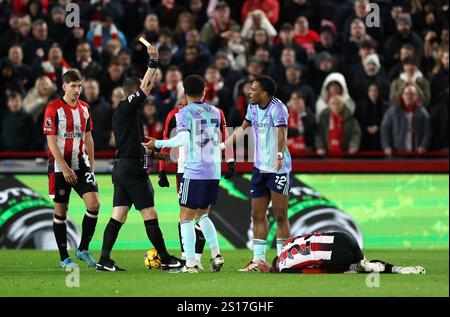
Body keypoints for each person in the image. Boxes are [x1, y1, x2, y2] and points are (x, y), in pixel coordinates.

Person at [96, 43, 183, 272]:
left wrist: (156, 152)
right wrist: (153, 62)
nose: (150, 88)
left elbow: (135, 144)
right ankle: (165, 258)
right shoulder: (126, 108)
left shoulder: (128, 114)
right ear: (134, 91)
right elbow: (145, 86)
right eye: (146, 87)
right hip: (132, 170)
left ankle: (104, 260)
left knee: (119, 215)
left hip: (123, 168)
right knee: (150, 213)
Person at [143, 75, 231, 273]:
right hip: (213, 171)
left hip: (194, 170)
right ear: (204, 91)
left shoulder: (183, 113)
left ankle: (190, 263)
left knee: (185, 217)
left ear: (184, 92)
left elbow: (182, 139)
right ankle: (216, 254)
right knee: (203, 215)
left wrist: (157, 143)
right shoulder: (216, 112)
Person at [222, 76, 292, 272]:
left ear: (265, 93)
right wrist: (225, 145)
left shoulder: (278, 108)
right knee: (256, 214)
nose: (249, 92)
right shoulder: (252, 107)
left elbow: (282, 134)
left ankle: (284, 260)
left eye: (253, 89)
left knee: (280, 215)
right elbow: (243, 129)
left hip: (279, 169)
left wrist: (279, 153)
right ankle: (258, 261)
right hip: (260, 168)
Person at [42, 69, 100, 269]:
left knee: (94, 204)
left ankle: (83, 249)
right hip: (59, 165)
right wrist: (65, 167)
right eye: (73, 86)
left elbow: (89, 138)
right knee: (61, 212)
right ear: (64, 87)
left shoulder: (85, 108)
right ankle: (64, 257)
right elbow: (51, 142)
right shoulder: (53, 109)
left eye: (79, 86)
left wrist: (91, 167)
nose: (77, 90)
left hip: (80, 162)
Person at [270, 232, 425, 275]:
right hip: (344, 237)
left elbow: (313, 271)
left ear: (277, 266)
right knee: (366, 263)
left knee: (333, 266)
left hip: (336, 256)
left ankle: (353, 268)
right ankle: (399, 269)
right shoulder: (287, 243)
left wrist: (338, 272)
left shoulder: (284, 268)